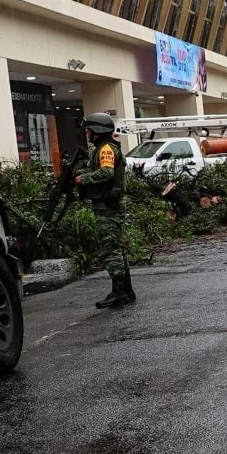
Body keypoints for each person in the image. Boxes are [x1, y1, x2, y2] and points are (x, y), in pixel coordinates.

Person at [75, 112, 135, 308]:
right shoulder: (106, 148)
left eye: (89, 130)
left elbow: (106, 172)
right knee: (117, 248)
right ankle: (125, 290)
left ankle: (119, 292)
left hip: (108, 206)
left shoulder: (106, 149)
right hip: (110, 204)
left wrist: (83, 179)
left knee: (111, 249)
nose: (88, 134)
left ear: (98, 131)